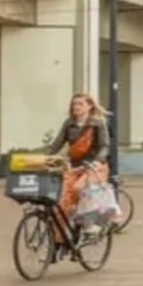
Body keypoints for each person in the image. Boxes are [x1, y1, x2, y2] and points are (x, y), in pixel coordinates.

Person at [46, 91, 111, 230]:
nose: (76, 107)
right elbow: (57, 143)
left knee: (80, 188)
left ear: (89, 106)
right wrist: (45, 158)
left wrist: (98, 161)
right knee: (63, 197)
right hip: (75, 166)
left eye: (80, 104)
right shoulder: (69, 123)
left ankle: (89, 223)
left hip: (94, 166)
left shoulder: (97, 123)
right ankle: (60, 239)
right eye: (74, 104)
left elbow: (104, 146)